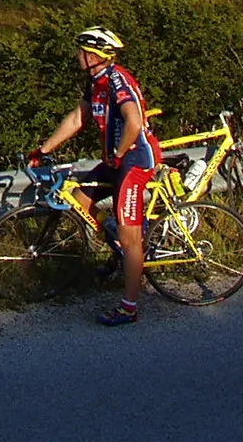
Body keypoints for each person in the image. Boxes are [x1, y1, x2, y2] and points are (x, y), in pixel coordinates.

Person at [29, 25, 160, 328]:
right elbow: (78, 118)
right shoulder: (96, 82)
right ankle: (117, 252)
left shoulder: (117, 82)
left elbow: (134, 123)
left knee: (130, 237)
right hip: (116, 160)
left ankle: (129, 306)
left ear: (93, 55)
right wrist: (42, 149)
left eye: (80, 51)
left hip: (136, 160)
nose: (76, 55)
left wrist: (118, 154)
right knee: (79, 201)